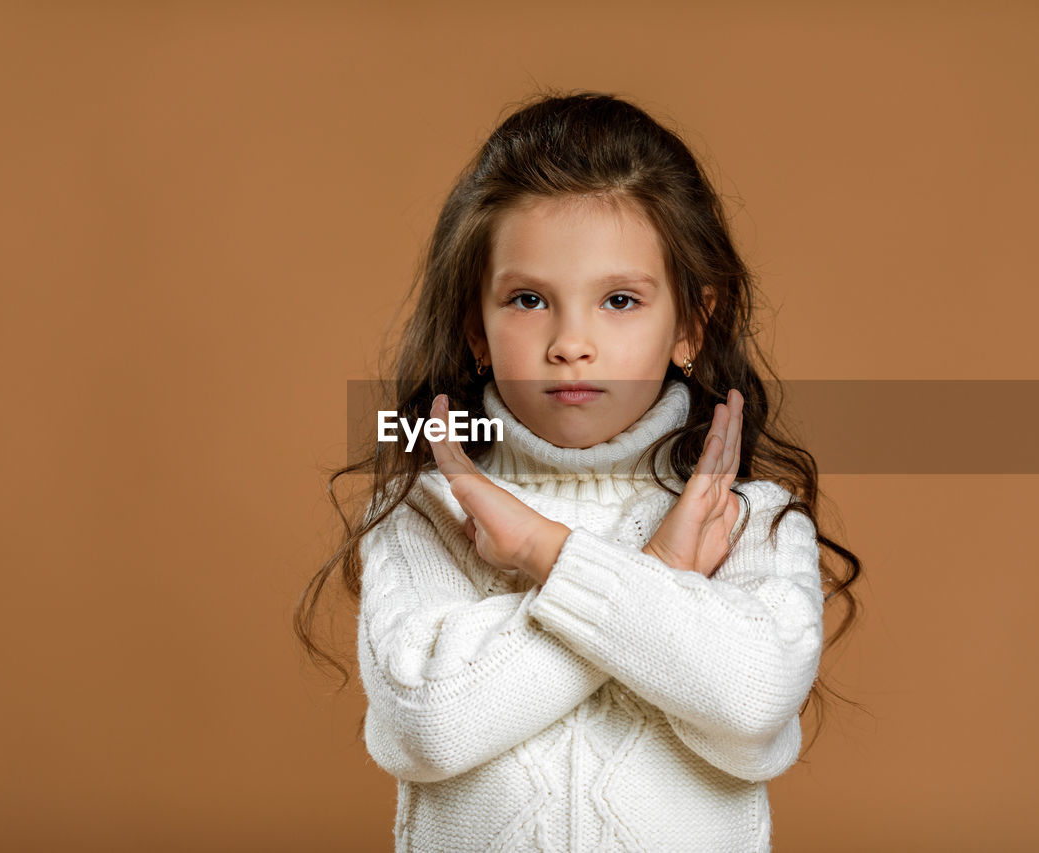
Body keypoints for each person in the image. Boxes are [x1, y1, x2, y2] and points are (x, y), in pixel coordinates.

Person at [297, 89, 862, 852]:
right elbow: (429, 721)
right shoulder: (423, 510)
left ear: (692, 324)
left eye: (619, 300)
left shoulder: (747, 518)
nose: (571, 341)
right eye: (529, 299)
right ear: (475, 327)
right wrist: (657, 568)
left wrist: (544, 554)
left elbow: (754, 698)